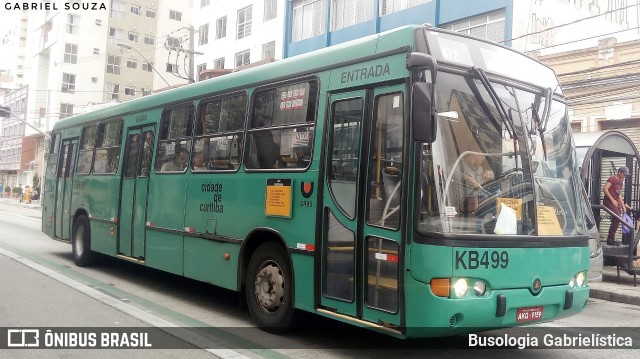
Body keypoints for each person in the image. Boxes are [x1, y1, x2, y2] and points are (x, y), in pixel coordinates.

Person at [603, 166, 633, 245]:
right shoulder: (612, 179)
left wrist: (623, 206)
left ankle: (611, 239)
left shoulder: (621, 181)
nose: (625, 176)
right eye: (624, 174)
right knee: (617, 216)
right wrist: (612, 200)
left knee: (617, 218)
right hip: (608, 201)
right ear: (620, 172)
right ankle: (610, 239)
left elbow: (619, 194)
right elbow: (605, 189)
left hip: (616, 202)